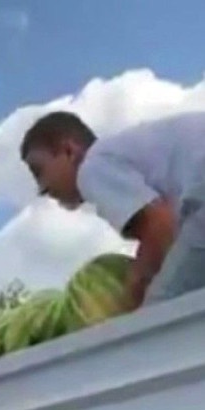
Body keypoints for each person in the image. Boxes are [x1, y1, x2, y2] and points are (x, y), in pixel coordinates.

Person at [20, 109, 205, 309]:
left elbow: (160, 226)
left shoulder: (91, 168)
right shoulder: (120, 152)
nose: (41, 189)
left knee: (157, 313)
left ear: (69, 151)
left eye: (38, 171)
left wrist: (132, 293)